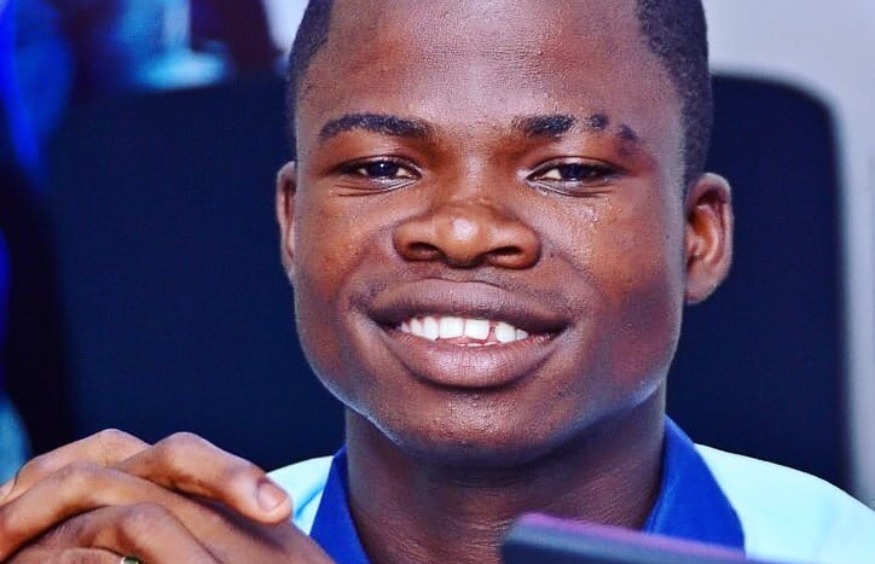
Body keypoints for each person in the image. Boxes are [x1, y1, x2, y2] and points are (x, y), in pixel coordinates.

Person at [1, 0, 874, 562]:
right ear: (294, 224)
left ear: (697, 237)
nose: (461, 231)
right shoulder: (160, 549)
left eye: (569, 171)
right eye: (380, 166)